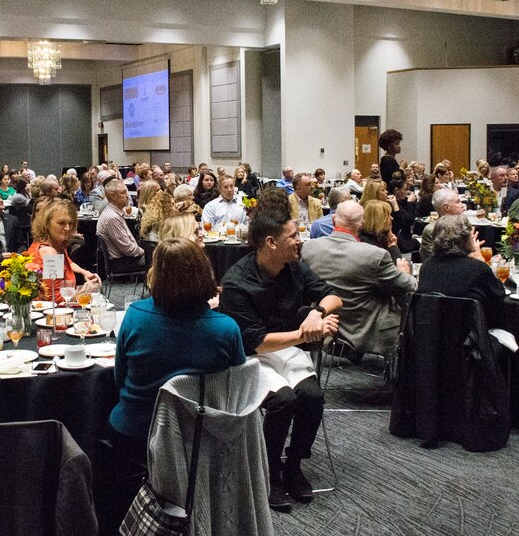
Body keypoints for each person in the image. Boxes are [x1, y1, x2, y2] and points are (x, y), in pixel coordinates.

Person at [219, 204, 342, 510]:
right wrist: (305, 334)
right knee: (283, 400)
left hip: (286, 350)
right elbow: (257, 343)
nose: (300, 239)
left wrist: (318, 312)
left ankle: (294, 463)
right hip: (251, 358)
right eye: (293, 235)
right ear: (271, 242)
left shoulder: (294, 267)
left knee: (312, 396)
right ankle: (270, 471)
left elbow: (333, 295)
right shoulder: (236, 282)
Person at [110, 237, 246, 458]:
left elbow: (119, 378)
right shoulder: (226, 329)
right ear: (204, 272)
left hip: (136, 432)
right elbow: (237, 389)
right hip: (202, 435)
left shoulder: (135, 315)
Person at [302, 201, 416, 357]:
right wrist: (405, 273)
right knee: (416, 312)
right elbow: (409, 287)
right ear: (361, 225)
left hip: (328, 327)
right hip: (369, 331)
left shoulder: (309, 248)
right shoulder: (375, 255)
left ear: (334, 219)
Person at [416, 214, 506, 330]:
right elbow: (498, 297)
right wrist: (483, 263)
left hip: (433, 335)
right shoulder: (478, 268)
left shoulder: (427, 265)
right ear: (464, 239)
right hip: (471, 338)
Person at [25, 199, 101, 302]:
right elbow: (54, 298)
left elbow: (68, 263)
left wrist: (85, 272)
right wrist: (85, 291)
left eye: (70, 223)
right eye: (61, 223)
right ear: (46, 224)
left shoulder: (55, 244)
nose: (67, 228)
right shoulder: (49, 252)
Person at [96, 178, 146, 273]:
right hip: (121, 262)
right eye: (123, 193)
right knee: (159, 258)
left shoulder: (114, 212)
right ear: (113, 196)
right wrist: (145, 252)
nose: (127, 196)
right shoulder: (112, 218)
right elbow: (128, 250)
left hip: (124, 259)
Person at [419, 188, 466, 262]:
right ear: (447, 207)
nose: (462, 205)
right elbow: (432, 260)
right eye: (458, 202)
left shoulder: (464, 224)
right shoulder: (432, 230)